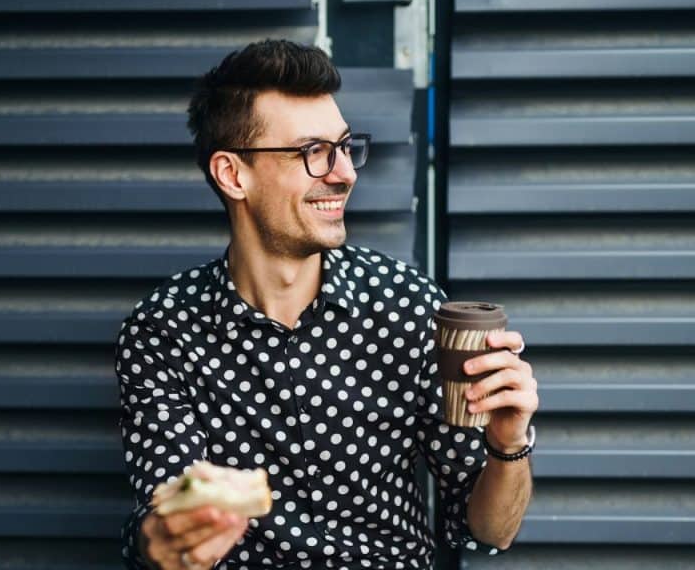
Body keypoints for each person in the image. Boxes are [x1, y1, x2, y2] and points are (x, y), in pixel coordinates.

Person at [115, 40, 538, 570]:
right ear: (233, 174)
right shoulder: (163, 331)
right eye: (312, 151)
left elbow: (489, 533)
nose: (345, 173)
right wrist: (164, 539)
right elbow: (161, 525)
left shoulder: (407, 307)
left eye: (344, 147)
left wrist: (508, 441)